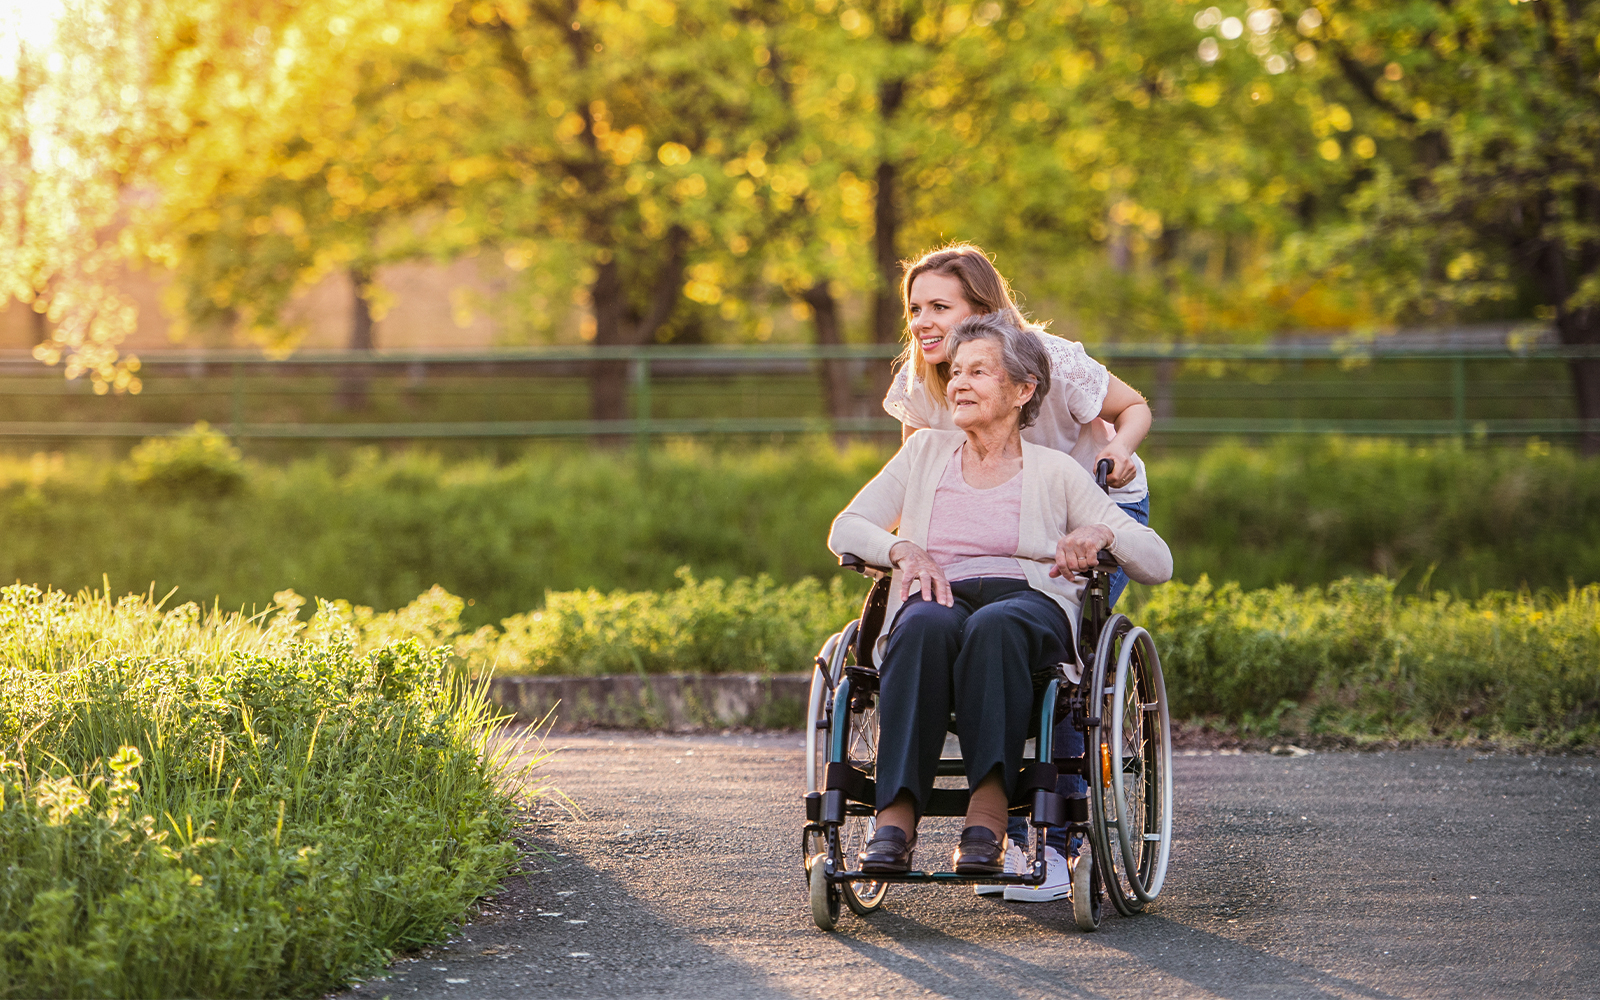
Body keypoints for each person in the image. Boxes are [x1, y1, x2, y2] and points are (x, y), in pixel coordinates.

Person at [829, 314, 1172, 878]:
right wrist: (903, 551)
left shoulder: (1057, 471)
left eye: (979, 372)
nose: (958, 383)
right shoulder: (924, 455)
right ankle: (894, 819)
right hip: (940, 593)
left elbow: (1158, 560)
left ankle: (985, 818)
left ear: (1022, 390)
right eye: (956, 372)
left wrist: (1103, 532)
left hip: (1028, 602)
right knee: (919, 626)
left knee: (998, 626)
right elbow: (846, 527)